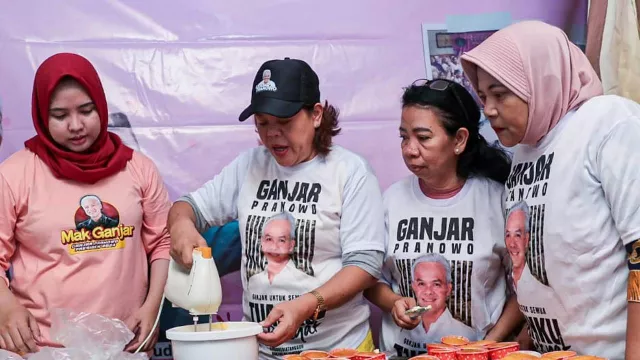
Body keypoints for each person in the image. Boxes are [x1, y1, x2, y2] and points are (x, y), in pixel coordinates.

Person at [167, 57, 386, 359]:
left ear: (316, 114)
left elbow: (365, 265)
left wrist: (306, 305)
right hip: (261, 350)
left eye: (285, 122)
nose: (272, 134)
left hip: (337, 350)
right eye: (263, 123)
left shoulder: (349, 171)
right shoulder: (250, 165)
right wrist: (181, 226)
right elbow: (188, 207)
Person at [460, 20, 640, 358]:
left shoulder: (609, 123)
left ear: (541, 79)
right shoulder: (525, 151)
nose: (488, 109)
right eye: (483, 96)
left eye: (501, 94)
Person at [0, 53, 171, 355]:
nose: (76, 125)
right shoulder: (14, 175)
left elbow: (163, 243)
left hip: (124, 343)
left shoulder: (138, 168)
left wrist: (152, 307)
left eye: (86, 110)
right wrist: (7, 306)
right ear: (42, 115)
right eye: (60, 115)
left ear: (101, 106)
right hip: (39, 348)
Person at [365, 78, 522, 358]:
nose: (410, 150)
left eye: (423, 138)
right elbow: (369, 279)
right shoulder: (391, 200)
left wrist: (488, 345)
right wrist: (393, 303)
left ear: (459, 140)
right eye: (404, 136)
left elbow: (525, 287)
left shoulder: (497, 201)